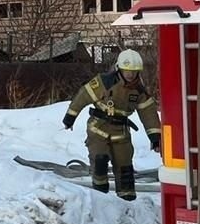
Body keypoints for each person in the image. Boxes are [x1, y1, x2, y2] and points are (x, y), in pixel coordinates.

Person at [61, 49, 161, 199]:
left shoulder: (139, 91)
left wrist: (155, 137)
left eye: (133, 71)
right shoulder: (104, 82)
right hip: (98, 128)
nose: (130, 75)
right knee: (99, 160)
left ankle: (127, 200)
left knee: (125, 169)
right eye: (127, 70)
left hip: (121, 132)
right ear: (119, 68)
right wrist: (70, 117)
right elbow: (83, 96)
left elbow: (149, 114)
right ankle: (100, 197)